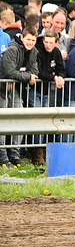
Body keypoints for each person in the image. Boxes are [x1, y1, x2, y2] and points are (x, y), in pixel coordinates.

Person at [0, 28, 39, 167]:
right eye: (28, 39)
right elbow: (9, 71)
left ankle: (15, 156)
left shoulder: (34, 51)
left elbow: (35, 71)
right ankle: (3, 158)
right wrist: (27, 76)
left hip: (14, 87)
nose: (30, 42)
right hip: (2, 87)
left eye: (33, 40)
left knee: (19, 117)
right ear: (22, 38)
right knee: (2, 122)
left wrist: (21, 76)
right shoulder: (12, 49)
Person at [32, 29, 65, 159]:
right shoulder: (37, 50)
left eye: (51, 42)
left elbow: (61, 69)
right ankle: (37, 155)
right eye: (46, 42)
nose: (48, 45)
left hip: (47, 92)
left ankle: (47, 153)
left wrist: (61, 77)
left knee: (47, 121)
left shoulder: (56, 52)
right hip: (35, 91)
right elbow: (38, 72)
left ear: (56, 42)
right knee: (37, 120)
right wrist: (54, 78)